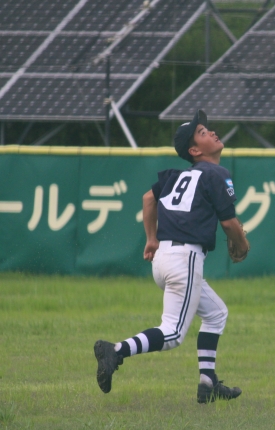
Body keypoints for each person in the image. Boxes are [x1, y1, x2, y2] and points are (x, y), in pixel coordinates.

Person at [94, 109, 250, 404]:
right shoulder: (216, 173)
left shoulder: (176, 176)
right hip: (184, 259)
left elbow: (148, 199)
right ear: (195, 150)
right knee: (173, 333)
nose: (212, 132)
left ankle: (208, 382)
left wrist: (151, 238)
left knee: (216, 313)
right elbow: (230, 224)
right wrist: (241, 244)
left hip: (164, 257)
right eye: (202, 132)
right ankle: (115, 351)